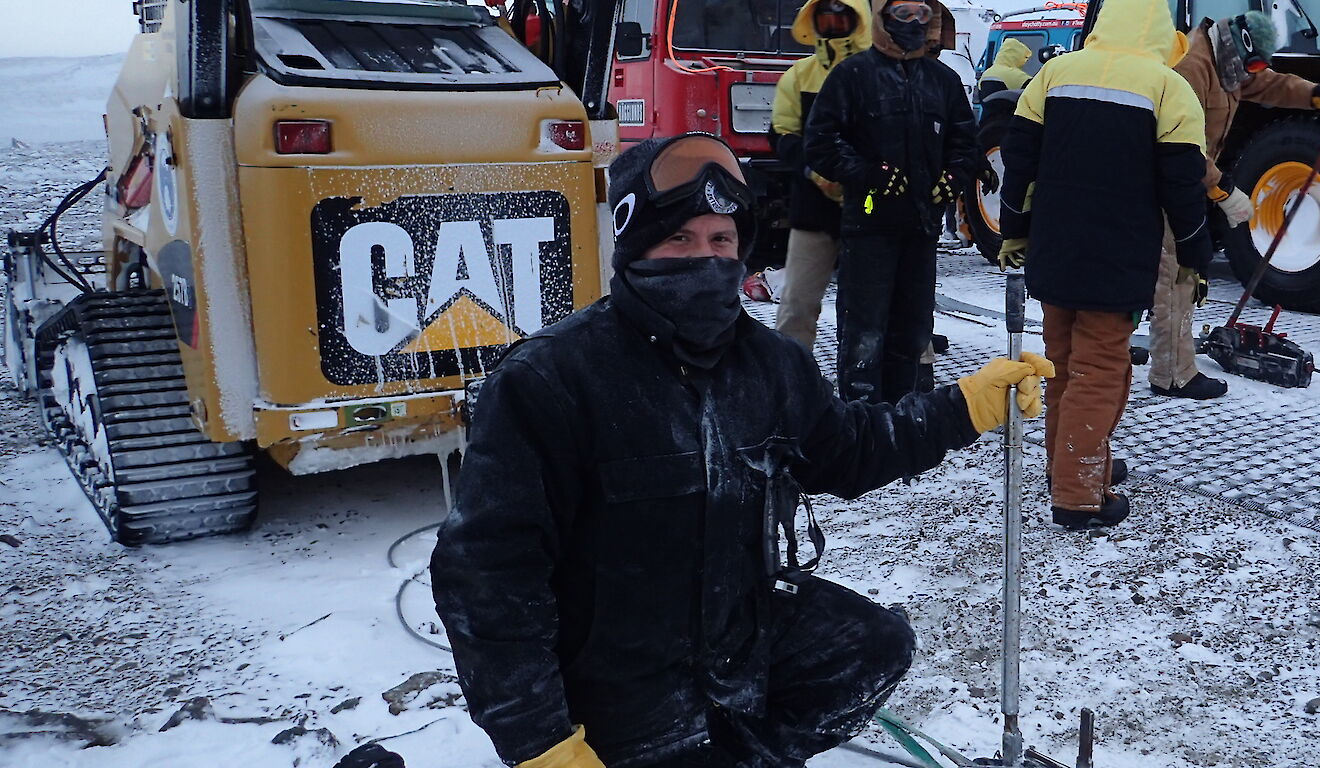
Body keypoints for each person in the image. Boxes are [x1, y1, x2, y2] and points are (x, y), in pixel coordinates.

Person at [430, 134, 1053, 768]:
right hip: (615, 691)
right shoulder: (552, 379)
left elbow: (849, 449)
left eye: (721, 241)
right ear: (635, 246)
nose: (705, 259)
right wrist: (540, 741)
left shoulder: (770, 365)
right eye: (680, 239)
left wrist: (963, 406)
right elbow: (487, 574)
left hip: (733, 648)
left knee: (871, 644)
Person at [996, 0, 1213, 529]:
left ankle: (1067, 465)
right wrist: (1194, 257)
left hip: (1056, 252)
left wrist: (1013, 231)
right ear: (1162, 33)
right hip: (1117, 260)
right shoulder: (1168, 88)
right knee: (1100, 374)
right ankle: (1077, 495)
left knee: (1064, 367)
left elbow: (1018, 162)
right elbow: (1184, 186)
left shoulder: (1054, 73)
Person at [1149, 10, 1320, 400]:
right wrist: (1224, 192)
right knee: (1171, 281)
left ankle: (1170, 362)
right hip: (1165, 188)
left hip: (1187, 186)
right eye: (1249, 64)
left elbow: (1270, 85)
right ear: (1236, 46)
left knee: (1179, 280)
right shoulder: (1192, 69)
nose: (1250, 75)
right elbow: (1181, 148)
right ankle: (1171, 375)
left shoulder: (1227, 63)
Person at [805, 0, 984, 404]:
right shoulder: (852, 77)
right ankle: (862, 419)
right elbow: (819, 142)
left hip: (921, 229)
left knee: (913, 328)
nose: (916, 23)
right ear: (883, 19)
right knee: (865, 332)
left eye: (924, 14)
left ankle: (905, 420)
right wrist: (869, 172)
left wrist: (954, 176)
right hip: (868, 225)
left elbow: (964, 139)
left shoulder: (942, 80)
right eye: (904, 13)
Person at [772, 0, 870, 348]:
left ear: (857, 20)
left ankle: (905, 382)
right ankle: (791, 382)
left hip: (873, 207)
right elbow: (783, 135)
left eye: (841, 16)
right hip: (814, 208)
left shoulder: (879, 73)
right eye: (824, 16)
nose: (832, 24)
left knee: (884, 305)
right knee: (797, 304)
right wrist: (817, 173)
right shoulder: (799, 76)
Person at [975, 37, 1032, 101]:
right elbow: (1036, 87)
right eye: (1024, 57)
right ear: (1016, 56)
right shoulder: (1013, 74)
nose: (1025, 61)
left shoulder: (986, 73)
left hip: (987, 110)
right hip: (1009, 110)